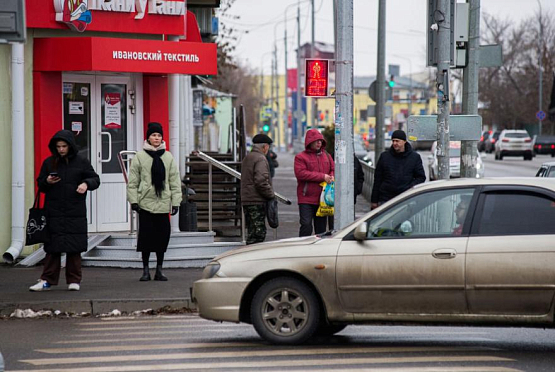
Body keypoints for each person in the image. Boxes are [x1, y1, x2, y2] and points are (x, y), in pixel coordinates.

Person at [29, 130, 100, 292]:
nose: (61, 149)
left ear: (70, 146)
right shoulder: (49, 163)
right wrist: (47, 181)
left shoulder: (81, 161)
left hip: (75, 210)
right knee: (53, 247)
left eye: (64, 146)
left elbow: (95, 179)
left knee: (74, 248)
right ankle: (46, 280)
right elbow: (41, 184)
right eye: (58, 146)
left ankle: (74, 280)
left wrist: (86, 184)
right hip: (54, 210)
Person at [127, 122, 182, 281]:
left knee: (162, 238)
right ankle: (145, 270)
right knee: (145, 238)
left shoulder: (168, 156)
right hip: (145, 203)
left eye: (159, 135)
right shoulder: (140, 156)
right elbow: (133, 181)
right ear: (148, 137)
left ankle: (159, 270)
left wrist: (176, 201)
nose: (156, 138)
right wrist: (134, 201)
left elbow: (174, 181)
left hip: (163, 203)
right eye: (153, 135)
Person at [294, 128, 335, 237]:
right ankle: (302, 247)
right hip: (306, 198)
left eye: (320, 141)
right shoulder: (300, 157)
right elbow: (301, 173)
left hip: (323, 198)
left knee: (321, 229)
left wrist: (331, 176)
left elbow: (333, 168)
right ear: (309, 142)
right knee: (306, 225)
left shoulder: (327, 156)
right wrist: (322, 177)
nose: (319, 143)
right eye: (316, 140)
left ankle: (318, 250)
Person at [371, 130, 426, 210]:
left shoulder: (414, 157)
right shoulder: (384, 157)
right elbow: (377, 180)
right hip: (386, 198)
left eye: (397, 141)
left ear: (404, 142)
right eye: (393, 141)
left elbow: (421, 177)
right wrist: (374, 200)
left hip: (405, 198)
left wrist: (409, 187)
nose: (394, 143)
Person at [241, 133, 275, 245]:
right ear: (265, 147)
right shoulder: (260, 158)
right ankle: (251, 257)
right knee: (259, 233)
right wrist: (271, 194)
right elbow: (261, 181)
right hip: (256, 200)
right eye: (268, 146)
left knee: (251, 232)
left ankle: (248, 256)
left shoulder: (249, 157)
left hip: (247, 199)